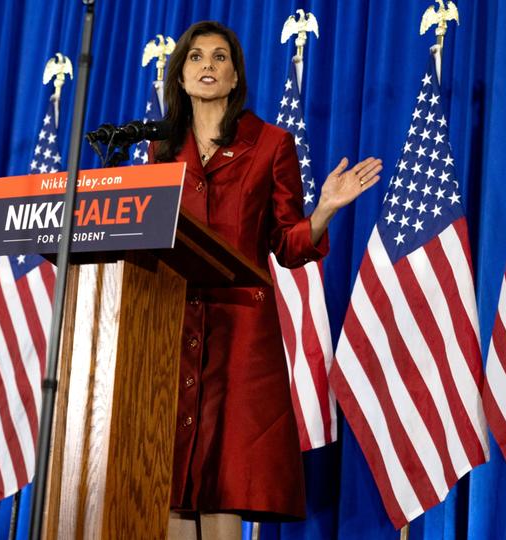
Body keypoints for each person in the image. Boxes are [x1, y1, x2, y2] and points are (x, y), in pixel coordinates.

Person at [150, 21, 382, 540]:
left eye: (219, 57)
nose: (207, 65)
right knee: (171, 488)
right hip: (170, 333)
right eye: (195, 57)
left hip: (239, 341)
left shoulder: (272, 144)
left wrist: (322, 211)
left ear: (235, 77)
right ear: (180, 76)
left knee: (223, 486)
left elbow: (287, 243)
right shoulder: (160, 152)